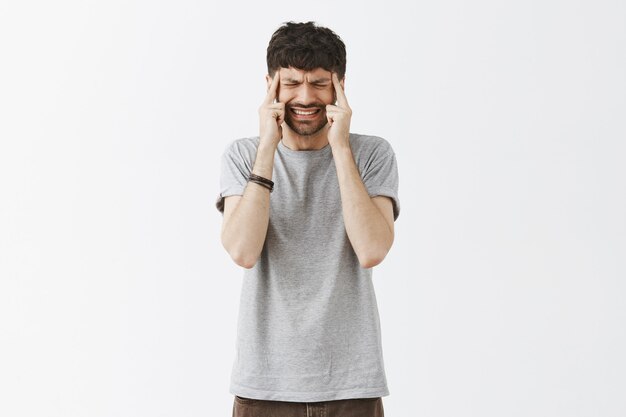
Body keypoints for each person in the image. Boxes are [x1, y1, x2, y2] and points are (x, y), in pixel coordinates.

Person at [216, 21, 400, 417]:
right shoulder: (243, 155)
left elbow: (372, 249)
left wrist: (340, 149)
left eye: (319, 83)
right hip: (264, 386)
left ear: (340, 87)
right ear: (270, 86)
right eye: (292, 83)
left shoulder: (371, 154)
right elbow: (243, 251)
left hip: (352, 386)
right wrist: (268, 146)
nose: (305, 96)